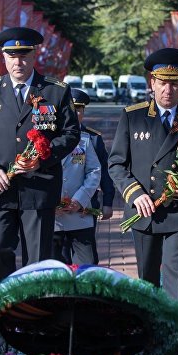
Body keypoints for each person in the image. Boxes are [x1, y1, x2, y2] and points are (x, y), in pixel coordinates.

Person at [0, 27, 80, 283]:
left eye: (24, 55)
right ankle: (5, 305)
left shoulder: (55, 91)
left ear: (33, 56)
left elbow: (71, 133)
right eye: (11, 55)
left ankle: (33, 314)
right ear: (3, 57)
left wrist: (43, 157)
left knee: (37, 260)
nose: (18, 62)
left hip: (39, 187)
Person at [108, 48, 178, 306]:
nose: (169, 89)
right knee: (147, 280)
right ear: (152, 83)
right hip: (145, 212)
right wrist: (135, 194)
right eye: (163, 83)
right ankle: (150, 332)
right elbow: (117, 164)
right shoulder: (133, 116)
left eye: (175, 83)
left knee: (177, 278)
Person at [52, 89, 102, 264]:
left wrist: (79, 200)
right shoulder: (44, 140)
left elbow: (94, 171)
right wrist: (51, 203)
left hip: (79, 213)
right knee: (53, 268)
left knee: (87, 266)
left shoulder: (85, 140)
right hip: (53, 216)